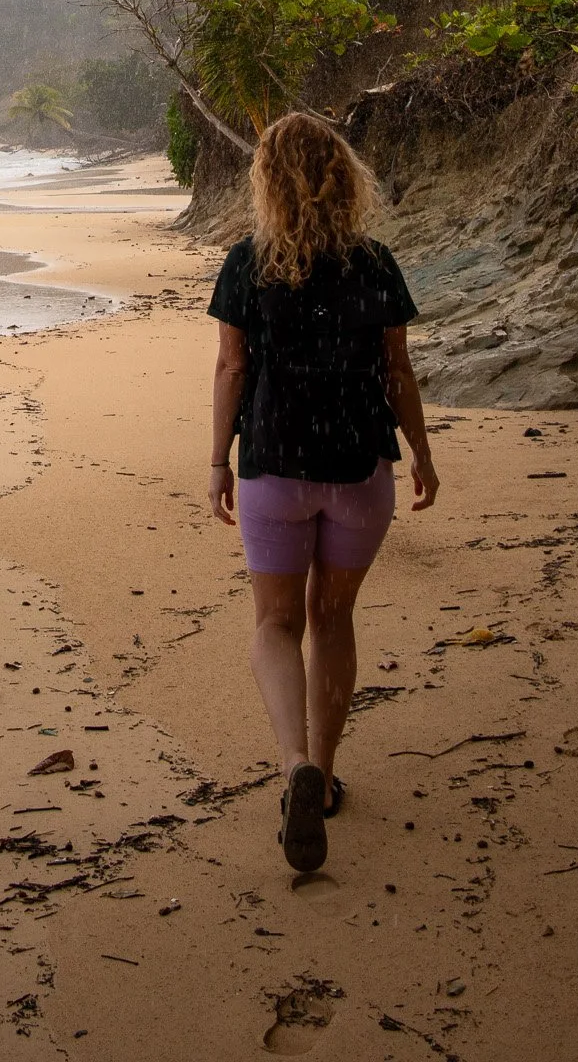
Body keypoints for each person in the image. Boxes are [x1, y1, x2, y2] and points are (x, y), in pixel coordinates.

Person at [206, 111, 438, 875]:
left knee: (274, 623)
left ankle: (292, 764)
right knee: (331, 616)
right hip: (357, 473)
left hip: (274, 467)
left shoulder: (247, 263)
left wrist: (216, 460)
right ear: (343, 175)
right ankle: (327, 777)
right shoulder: (372, 264)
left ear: (265, 181)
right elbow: (397, 371)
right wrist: (420, 453)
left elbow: (231, 370)